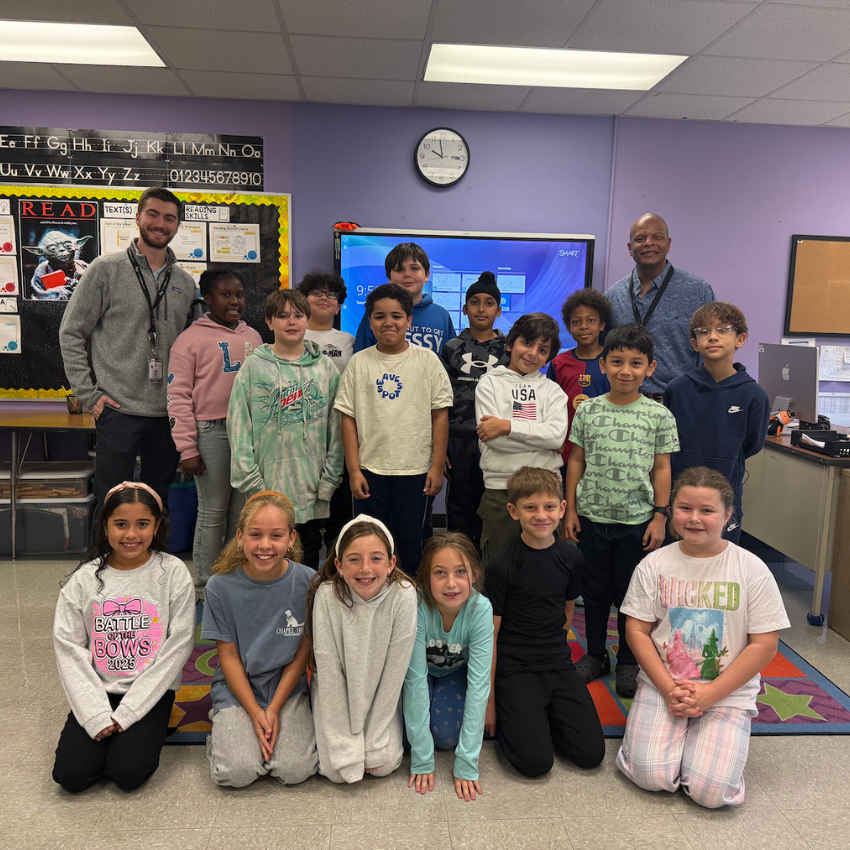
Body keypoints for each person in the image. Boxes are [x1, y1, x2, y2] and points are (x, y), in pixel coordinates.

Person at [616, 466, 790, 808]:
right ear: (671, 512)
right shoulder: (653, 564)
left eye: (707, 511)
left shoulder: (751, 569)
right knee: (652, 776)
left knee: (711, 793)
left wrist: (710, 694)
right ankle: (670, 739)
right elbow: (636, 630)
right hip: (664, 683)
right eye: (684, 508)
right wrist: (668, 688)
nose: (694, 519)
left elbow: (765, 644)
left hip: (727, 690)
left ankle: (707, 743)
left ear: (728, 515)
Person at [59, 187, 199, 511]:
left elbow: (197, 347)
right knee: (111, 502)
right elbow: (71, 332)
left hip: (168, 412)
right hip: (117, 408)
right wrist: (89, 394)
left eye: (169, 218)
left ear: (177, 226)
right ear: (138, 218)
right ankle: (101, 562)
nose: (160, 223)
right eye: (153, 214)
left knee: (156, 502)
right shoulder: (104, 270)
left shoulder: (185, 283)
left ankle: (153, 563)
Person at [52, 482, 195, 793]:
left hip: (149, 692)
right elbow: (69, 649)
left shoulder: (172, 573)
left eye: (142, 524)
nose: (132, 535)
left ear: (157, 525)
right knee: (72, 777)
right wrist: (93, 713)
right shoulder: (84, 580)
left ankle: (144, 727)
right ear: (105, 526)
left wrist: (130, 712)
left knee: (127, 774)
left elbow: (179, 644)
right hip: (98, 689)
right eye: (121, 524)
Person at [565, 324, 680, 698]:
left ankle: (629, 660)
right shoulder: (588, 411)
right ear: (603, 365)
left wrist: (661, 515)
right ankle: (597, 654)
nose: (625, 370)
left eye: (635, 363)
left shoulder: (658, 415)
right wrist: (570, 511)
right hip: (593, 519)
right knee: (595, 593)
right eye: (616, 362)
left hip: (639, 522)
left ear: (651, 368)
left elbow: (662, 468)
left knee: (633, 597)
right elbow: (576, 461)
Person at [483, 467, 604, 777]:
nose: (541, 515)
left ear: (562, 508)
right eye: (530, 507)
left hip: (557, 663)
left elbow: (566, 613)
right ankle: (530, 714)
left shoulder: (572, 559)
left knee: (591, 755)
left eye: (549, 506)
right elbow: (490, 635)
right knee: (535, 764)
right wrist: (490, 701)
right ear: (513, 511)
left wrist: (553, 650)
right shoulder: (502, 564)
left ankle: (544, 713)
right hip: (515, 666)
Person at [201, 491, 317, 787]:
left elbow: (301, 653)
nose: (265, 545)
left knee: (295, 770)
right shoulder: (219, 587)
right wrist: (254, 712)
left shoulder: (309, 582)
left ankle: (253, 732)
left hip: (287, 689)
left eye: (276, 535)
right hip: (238, 687)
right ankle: (223, 731)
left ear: (291, 539)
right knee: (237, 773)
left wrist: (274, 708)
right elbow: (227, 656)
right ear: (240, 537)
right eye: (256, 535)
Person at [335, 283, 452, 575]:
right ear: (370, 321)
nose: (388, 322)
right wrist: (354, 470)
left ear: (409, 320)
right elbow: (347, 419)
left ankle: (410, 602)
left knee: (411, 545)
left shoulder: (428, 361)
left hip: (415, 472)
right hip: (370, 470)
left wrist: (436, 466)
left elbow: (440, 416)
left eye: (397, 316)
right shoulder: (359, 363)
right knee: (369, 545)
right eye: (379, 316)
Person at [227, 289, 343, 569]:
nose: (291, 322)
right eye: (282, 316)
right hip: (266, 491)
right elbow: (238, 428)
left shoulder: (326, 369)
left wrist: (329, 483)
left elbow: (337, 432)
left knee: (308, 561)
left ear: (307, 320)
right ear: (268, 322)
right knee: (266, 561)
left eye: (298, 315)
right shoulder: (253, 368)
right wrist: (255, 487)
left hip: (312, 493)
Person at [168, 270, 263, 594]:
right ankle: (207, 586)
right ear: (207, 299)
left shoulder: (254, 338)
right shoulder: (190, 340)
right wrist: (188, 449)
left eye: (239, 294)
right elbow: (177, 397)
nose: (235, 301)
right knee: (213, 511)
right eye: (226, 294)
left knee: (240, 513)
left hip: (247, 435)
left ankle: (230, 580)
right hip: (211, 433)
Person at [307, 516, 417, 784]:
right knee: (335, 771)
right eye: (354, 559)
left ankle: (373, 738)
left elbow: (394, 676)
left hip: (381, 698)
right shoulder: (326, 596)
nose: (366, 568)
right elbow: (329, 674)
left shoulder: (404, 595)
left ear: (391, 564)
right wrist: (345, 747)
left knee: (384, 763)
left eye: (376, 558)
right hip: (337, 699)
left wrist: (374, 741)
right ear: (339, 565)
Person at [663, 303, 769, 543]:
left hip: (725, 496)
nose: (712, 337)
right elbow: (666, 442)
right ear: (694, 344)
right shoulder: (677, 389)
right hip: (679, 495)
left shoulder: (754, 396)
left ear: (740, 339)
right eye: (703, 331)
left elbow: (751, 445)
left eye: (723, 330)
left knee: (720, 564)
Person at [404, 533, 494, 802]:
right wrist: (422, 758)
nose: (451, 583)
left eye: (460, 572)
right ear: (425, 577)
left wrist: (467, 763)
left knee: (445, 738)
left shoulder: (481, 609)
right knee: (405, 741)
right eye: (440, 573)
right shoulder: (417, 604)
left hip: (452, 674)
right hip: (418, 675)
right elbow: (414, 679)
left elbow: (479, 684)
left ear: (475, 574)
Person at [474, 312, 568, 569]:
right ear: (510, 344)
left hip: (545, 489)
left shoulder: (553, 391)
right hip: (499, 489)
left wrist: (505, 425)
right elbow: (494, 442)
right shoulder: (489, 384)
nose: (532, 353)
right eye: (527, 343)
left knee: (543, 569)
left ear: (549, 357)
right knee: (498, 567)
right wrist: (542, 437)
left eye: (543, 349)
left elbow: (557, 436)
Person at [606, 213, 715, 396]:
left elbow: (712, 352)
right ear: (630, 248)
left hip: (681, 404)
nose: (649, 243)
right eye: (640, 238)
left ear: (668, 244)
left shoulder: (699, 292)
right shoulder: (612, 296)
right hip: (625, 405)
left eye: (657, 237)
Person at [440, 272, 509, 548]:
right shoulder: (451, 348)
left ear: (499, 310)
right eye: (475, 302)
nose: (482, 309)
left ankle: (486, 568)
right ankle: (458, 560)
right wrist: (442, 447)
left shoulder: (510, 349)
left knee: (491, 505)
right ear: (465, 308)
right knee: (459, 509)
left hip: (495, 441)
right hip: (458, 441)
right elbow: (441, 401)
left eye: (490, 303)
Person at [298, 269, 355, 554]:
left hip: (339, 433)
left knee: (340, 510)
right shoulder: (292, 333)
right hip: (302, 433)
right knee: (304, 513)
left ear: (339, 304)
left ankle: (335, 573)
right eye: (316, 292)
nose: (324, 298)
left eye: (331, 294)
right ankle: (305, 572)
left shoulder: (349, 340)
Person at [547, 288, 612, 478]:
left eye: (591, 320)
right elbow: (549, 406)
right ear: (568, 327)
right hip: (566, 450)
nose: (584, 326)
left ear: (602, 324)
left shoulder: (613, 362)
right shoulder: (559, 363)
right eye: (576, 322)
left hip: (604, 449)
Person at [354, 242, 456, 354]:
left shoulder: (442, 316)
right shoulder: (376, 314)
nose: (407, 274)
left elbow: (450, 362)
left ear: (427, 275)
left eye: (414, 268)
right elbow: (361, 358)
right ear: (389, 277)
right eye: (399, 270)